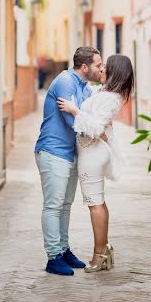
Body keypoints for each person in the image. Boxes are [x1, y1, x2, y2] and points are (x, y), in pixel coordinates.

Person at [58, 54, 134, 273]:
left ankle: (98, 255)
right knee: (98, 201)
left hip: (92, 153)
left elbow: (96, 128)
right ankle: (104, 249)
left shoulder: (110, 98)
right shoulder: (106, 93)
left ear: (114, 73)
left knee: (94, 203)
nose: (101, 71)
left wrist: (74, 110)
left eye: (105, 68)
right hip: (92, 151)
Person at [35, 46, 103, 276]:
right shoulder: (65, 82)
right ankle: (53, 256)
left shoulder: (84, 87)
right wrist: (90, 124)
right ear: (84, 67)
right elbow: (73, 122)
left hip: (70, 153)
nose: (101, 68)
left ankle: (63, 250)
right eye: (98, 64)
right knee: (53, 206)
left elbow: (90, 116)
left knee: (65, 206)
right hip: (53, 152)